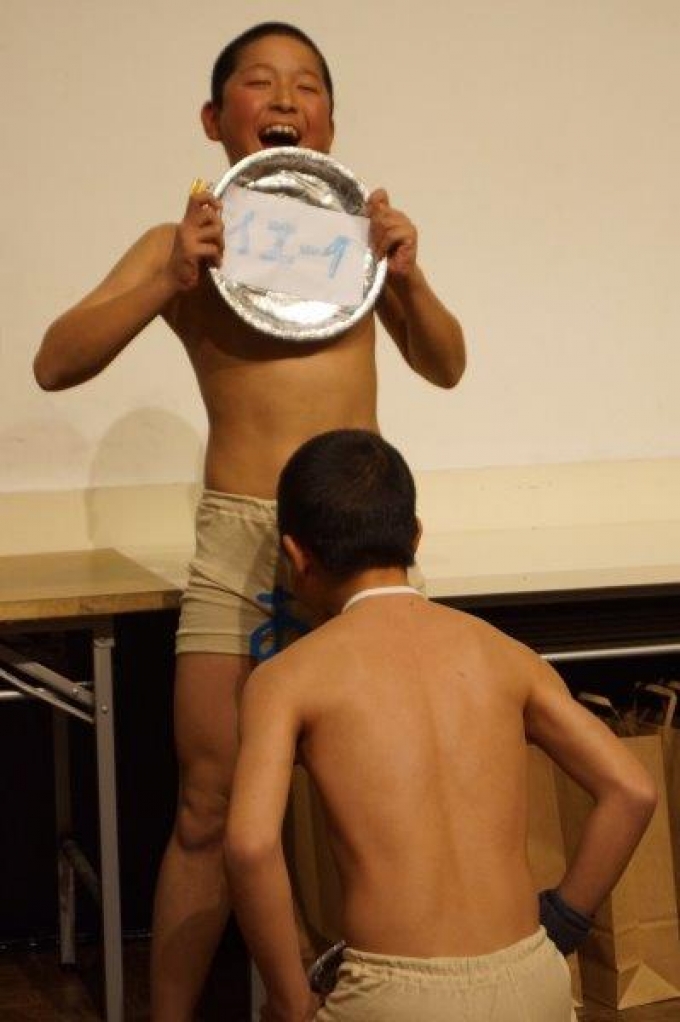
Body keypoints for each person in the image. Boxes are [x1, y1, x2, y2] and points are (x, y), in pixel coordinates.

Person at [34, 21, 466, 1022]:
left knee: (379, 788)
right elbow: (55, 362)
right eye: (260, 82)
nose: (284, 99)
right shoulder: (182, 245)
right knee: (209, 804)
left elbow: (445, 364)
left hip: (362, 536)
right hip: (243, 535)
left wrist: (409, 274)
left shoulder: (358, 240)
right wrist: (168, 276)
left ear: (329, 123)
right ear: (213, 118)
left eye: (307, 85)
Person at [224, 428, 658, 1022]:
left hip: (394, 994)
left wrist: (290, 999)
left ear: (296, 556)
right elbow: (632, 790)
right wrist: (561, 923)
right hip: (532, 979)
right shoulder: (508, 655)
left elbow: (250, 846)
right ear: (416, 537)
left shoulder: (286, 679)